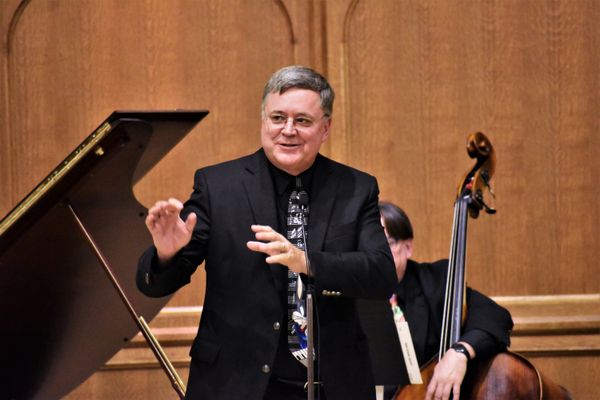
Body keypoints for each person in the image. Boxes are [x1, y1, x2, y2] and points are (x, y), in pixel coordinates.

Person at [136, 65, 397, 400]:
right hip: (236, 384)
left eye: (303, 120)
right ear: (263, 120)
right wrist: (166, 253)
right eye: (278, 118)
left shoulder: (357, 188)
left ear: (325, 128)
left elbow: (381, 275)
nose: (288, 130)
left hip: (332, 385)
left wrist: (307, 262)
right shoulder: (218, 187)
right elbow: (155, 285)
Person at [378, 201, 513, 400]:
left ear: (407, 247)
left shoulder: (436, 281)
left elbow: (495, 316)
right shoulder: (344, 295)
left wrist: (460, 352)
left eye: (386, 244)